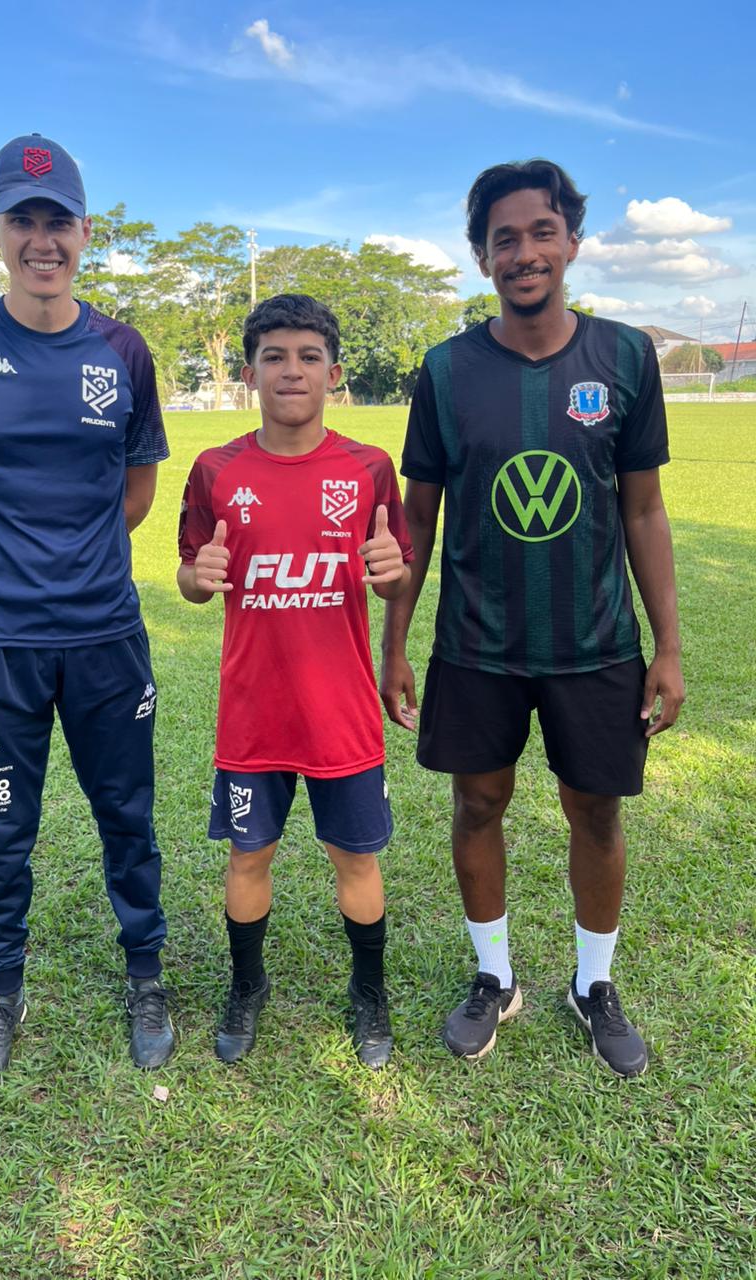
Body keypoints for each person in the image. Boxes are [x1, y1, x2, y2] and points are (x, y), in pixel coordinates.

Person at [382, 160, 685, 1077]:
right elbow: (418, 520)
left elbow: (643, 511)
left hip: (595, 643)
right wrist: (393, 645)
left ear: (572, 243)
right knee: (478, 802)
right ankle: (494, 977)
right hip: (477, 645)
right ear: (482, 257)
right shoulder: (446, 371)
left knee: (596, 811)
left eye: (541, 232)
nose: (524, 253)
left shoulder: (624, 357)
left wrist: (668, 647)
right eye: (503, 238)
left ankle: (594, 985)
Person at [0, 132, 175, 1087]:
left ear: (86, 232)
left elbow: (135, 493)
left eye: (59, 221)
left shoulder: (123, 350)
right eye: (24, 219)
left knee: (126, 816)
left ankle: (146, 976)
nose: (42, 239)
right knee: (1, 830)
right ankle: (4, 989)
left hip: (105, 637)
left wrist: (74, 566)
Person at [177, 294, 413, 1069]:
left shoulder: (368, 469)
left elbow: (393, 574)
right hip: (254, 714)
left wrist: (391, 572)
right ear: (249, 374)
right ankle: (247, 986)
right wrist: (196, 577)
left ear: (334, 374)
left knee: (358, 861)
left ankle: (369, 993)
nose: (292, 370)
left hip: (341, 713)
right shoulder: (216, 471)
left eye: (309, 357)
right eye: (274, 356)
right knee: (248, 859)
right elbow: (192, 575)